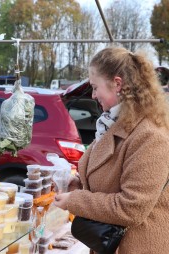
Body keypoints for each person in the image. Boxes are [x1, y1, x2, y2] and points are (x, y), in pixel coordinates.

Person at [54, 47, 169, 253]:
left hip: (138, 246)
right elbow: (109, 177)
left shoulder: (150, 136)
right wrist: (79, 183)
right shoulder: (114, 123)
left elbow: (131, 208)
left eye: (95, 87)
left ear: (117, 84)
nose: (93, 94)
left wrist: (76, 200)